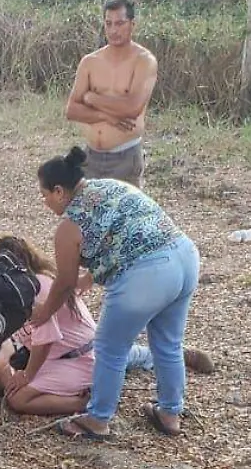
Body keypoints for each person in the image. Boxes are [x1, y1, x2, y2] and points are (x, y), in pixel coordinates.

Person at [29, 149, 200, 440]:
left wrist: (43, 313)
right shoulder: (111, 186)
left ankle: (98, 419)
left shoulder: (69, 227)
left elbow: (63, 283)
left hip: (147, 276)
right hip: (184, 256)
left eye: (44, 194)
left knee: (109, 348)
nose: (44, 202)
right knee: (168, 343)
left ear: (59, 191)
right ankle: (170, 413)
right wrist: (90, 276)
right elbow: (128, 234)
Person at [0, 234, 213, 418]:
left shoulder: (34, 289)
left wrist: (27, 376)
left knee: (18, 398)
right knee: (121, 356)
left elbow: (44, 342)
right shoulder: (48, 277)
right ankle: (169, 356)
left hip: (75, 358)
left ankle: (84, 403)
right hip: (93, 346)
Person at [64, 0, 157, 186]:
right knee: (89, 214)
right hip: (91, 157)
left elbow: (132, 108)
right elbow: (72, 110)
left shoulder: (144, 61)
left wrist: (92, 98)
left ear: (132, 25)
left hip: (125, 157)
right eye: (108, 24)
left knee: (124, 214)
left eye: (120, 23)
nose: (113, 30)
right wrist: (108, 118)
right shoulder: (90, 62)